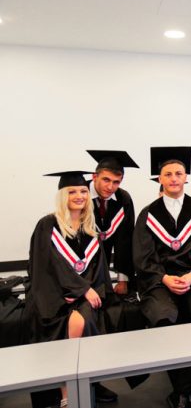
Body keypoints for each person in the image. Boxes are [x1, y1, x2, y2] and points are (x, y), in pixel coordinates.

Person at [26, 171, 119, 408]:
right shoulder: (48, 225)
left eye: (83, 191)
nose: (79, 196)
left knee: (85, 318)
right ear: (62, 196)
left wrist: (87, 291)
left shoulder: (90, 228)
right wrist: (79, 290)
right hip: (53, 297)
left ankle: (85, 383)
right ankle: (69, 390)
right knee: (75, 322)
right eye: (72, 192)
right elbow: (46, 266)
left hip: (84, 295)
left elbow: (98, 269)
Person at [134, 147, 191, 408]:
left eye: (178, 173)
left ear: (186, 178)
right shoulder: (148, 214)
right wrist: (164, 278)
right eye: (168, 174)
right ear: (159, 178)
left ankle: (182, 391)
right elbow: (143, 256)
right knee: (164, 317)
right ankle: (182, 390)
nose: (173, 178)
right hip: (160, 280)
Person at [87, 150, 139, 297]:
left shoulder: (123, 199)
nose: (110, 187)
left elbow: (125, 240)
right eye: (106, 180)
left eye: (116, 182)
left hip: (107, 260)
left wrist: (123, 281)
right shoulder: (80, 194)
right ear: (94, 177)